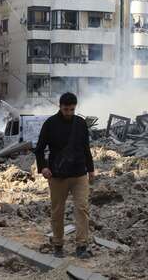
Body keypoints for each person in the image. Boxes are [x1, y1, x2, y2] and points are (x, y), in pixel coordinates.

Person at [35, 92, 95, 259]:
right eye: (66, 109)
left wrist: (91, 169)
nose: (69, 112)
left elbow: (86, 149)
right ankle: (58, 245)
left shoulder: (81, 123)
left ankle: (82, 246)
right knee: (57, 211)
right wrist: (43, 168)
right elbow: (39, 149)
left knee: (82, 209)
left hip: (79, 174)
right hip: (57, 176)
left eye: (72, 109)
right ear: (60, 107)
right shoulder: (50, 124)